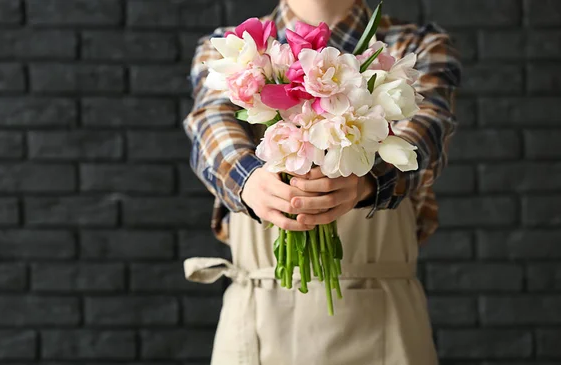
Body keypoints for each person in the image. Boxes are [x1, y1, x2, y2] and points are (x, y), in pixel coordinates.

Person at [182, 0, 461, 364]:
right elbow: (211, 124)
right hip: (257, 322)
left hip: (383, 325)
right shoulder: (234, 46)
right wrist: (249, 180)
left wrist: (367, 181)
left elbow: (426, 135)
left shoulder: (414, 46)